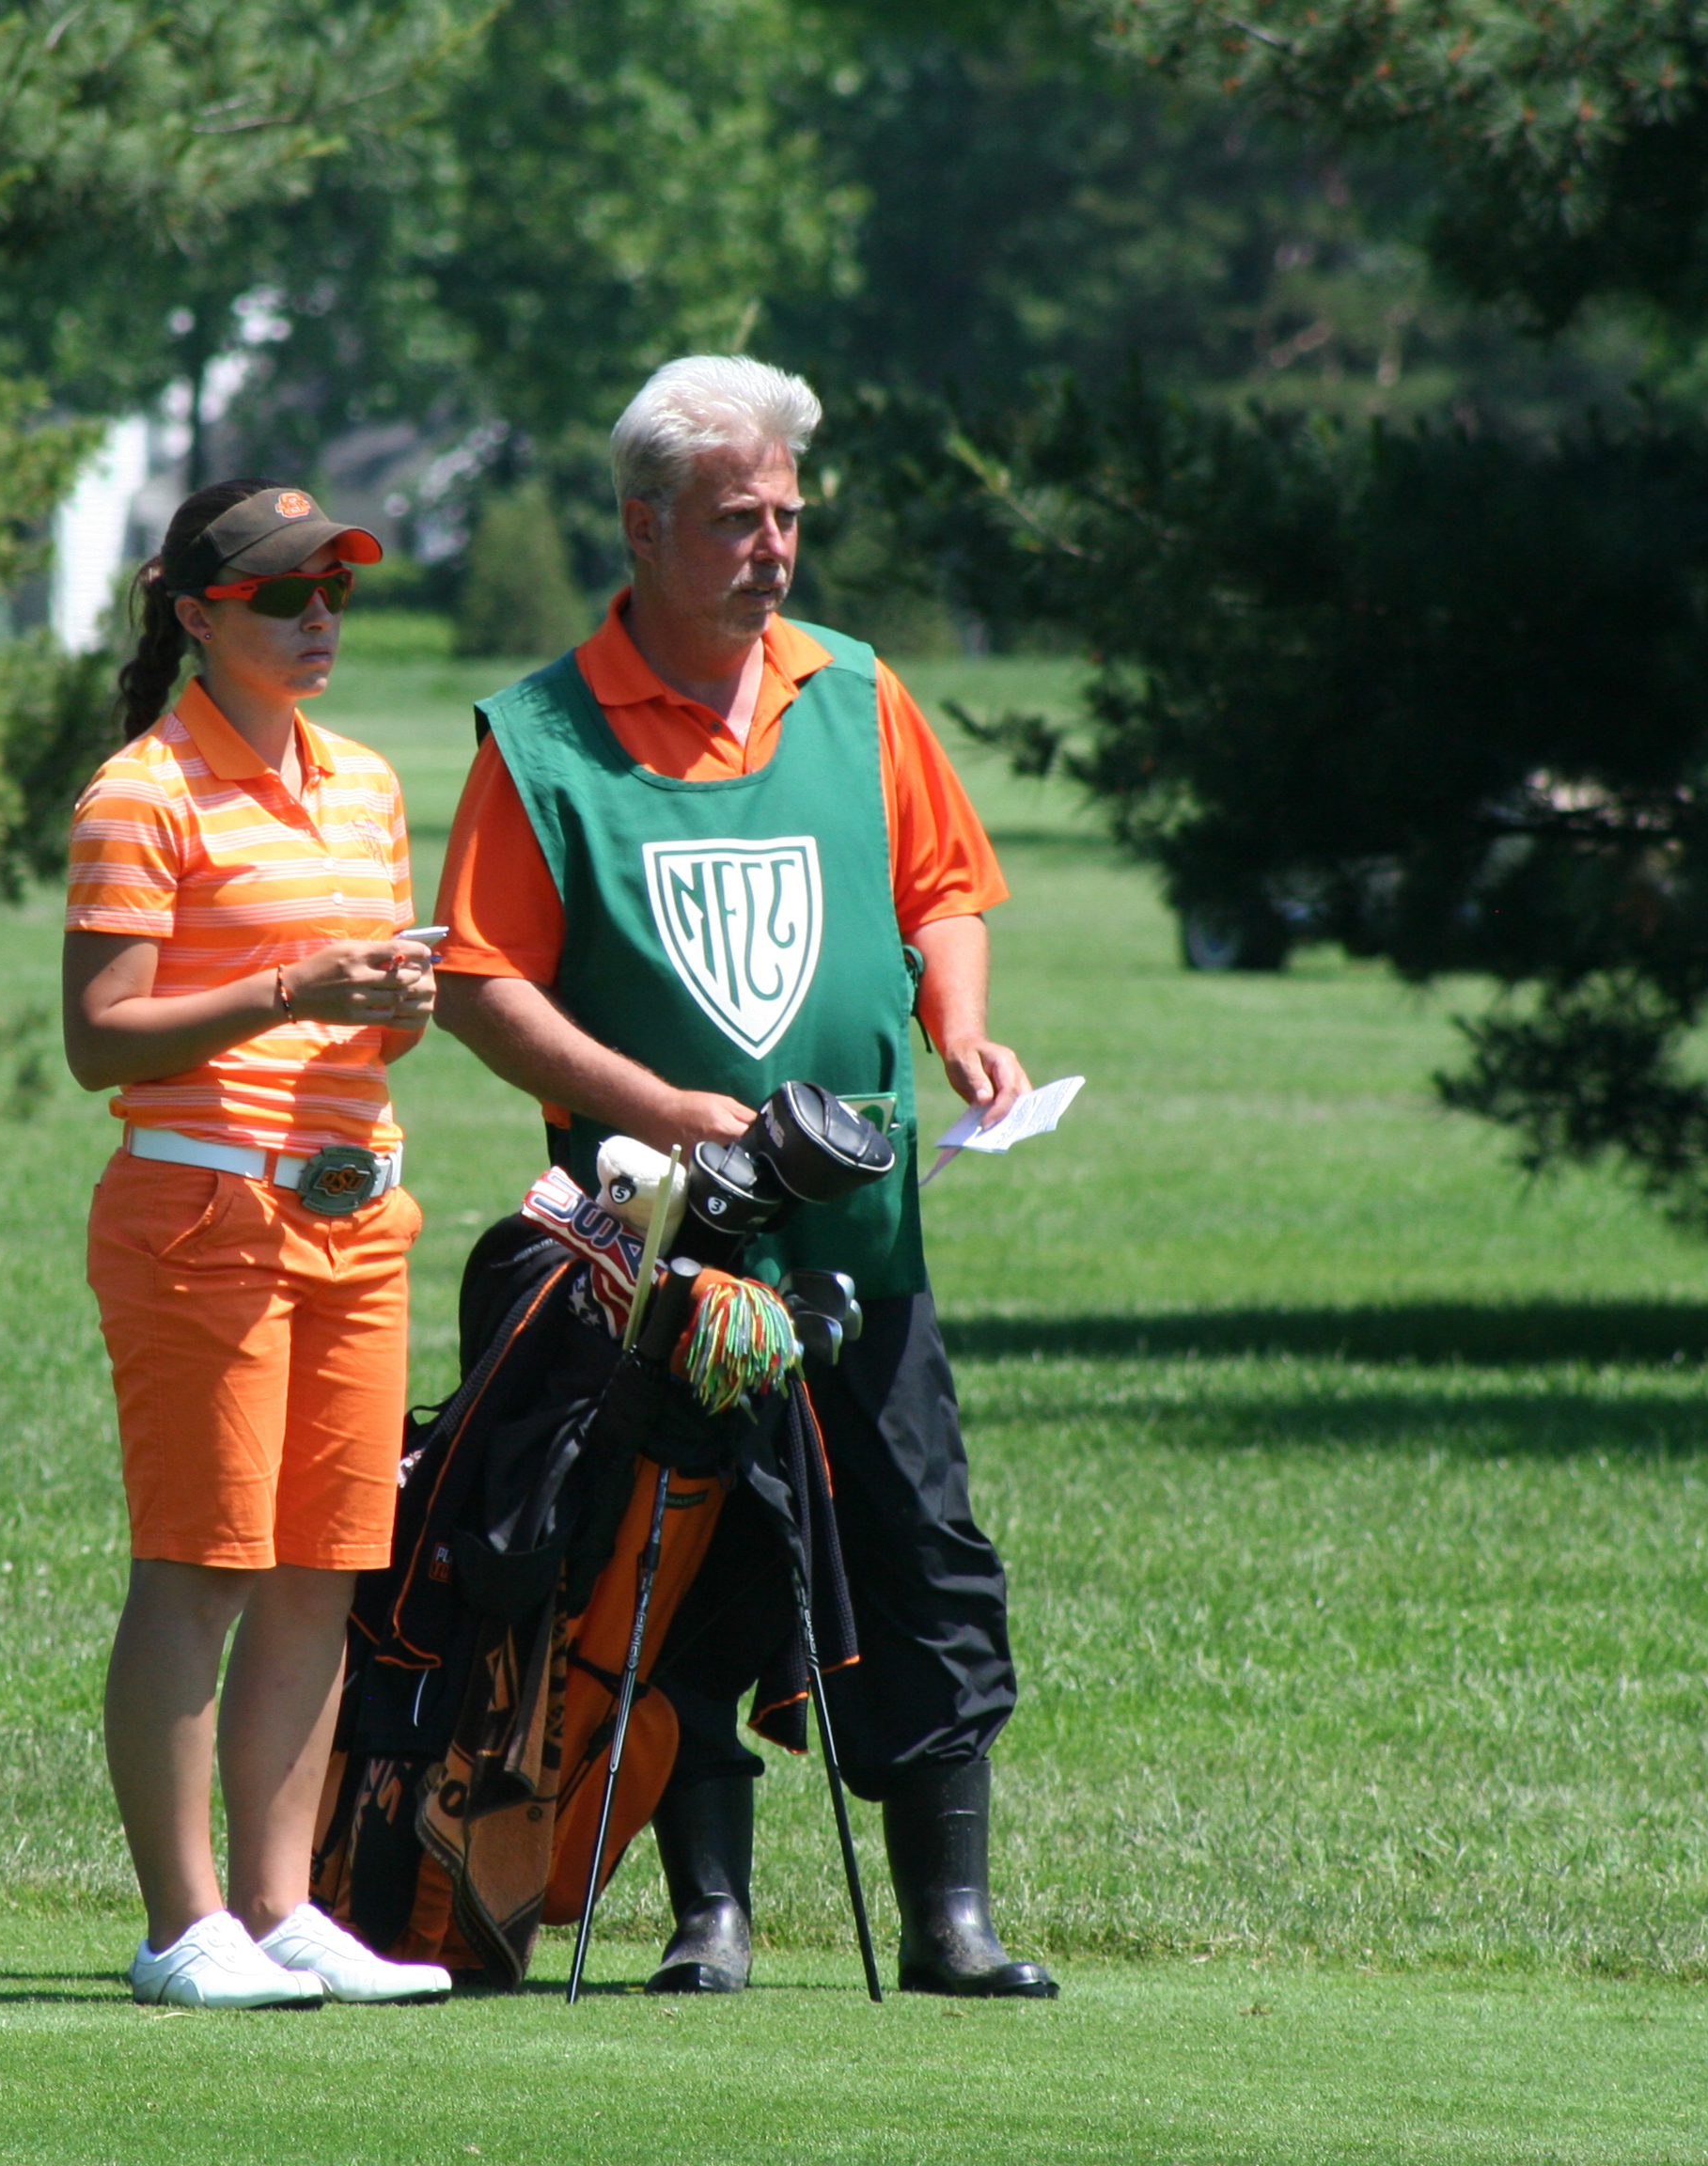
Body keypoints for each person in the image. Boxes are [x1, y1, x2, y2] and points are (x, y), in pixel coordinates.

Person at [430, 356, 1060, 2000]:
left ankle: (952, 1919)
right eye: (734, 520)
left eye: (785, 516)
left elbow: (943, 890)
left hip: (862, 1236)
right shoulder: (544, 737)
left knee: (923, 1546)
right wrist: (660, 1106)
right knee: (668, 1563)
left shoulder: (855, 689)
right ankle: (707, 1912)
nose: (772, 547)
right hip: (656, 1252)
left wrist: (961, 1027)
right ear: (643, 526)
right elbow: (479, 981)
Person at [63, 479, 455, 2011]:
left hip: (356, 1216)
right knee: (200, 1567)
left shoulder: (364, 783)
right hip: (201, 1213)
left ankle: (283, 1911)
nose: (318, 619)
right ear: (196, 615)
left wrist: (393, 1009)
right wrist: (294, 989)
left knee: (319, 1572)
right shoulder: (141, 793)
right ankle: (183, 1927)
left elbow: (370, 1027)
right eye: (285, 595)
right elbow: (102, 1037)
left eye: (336, 591)